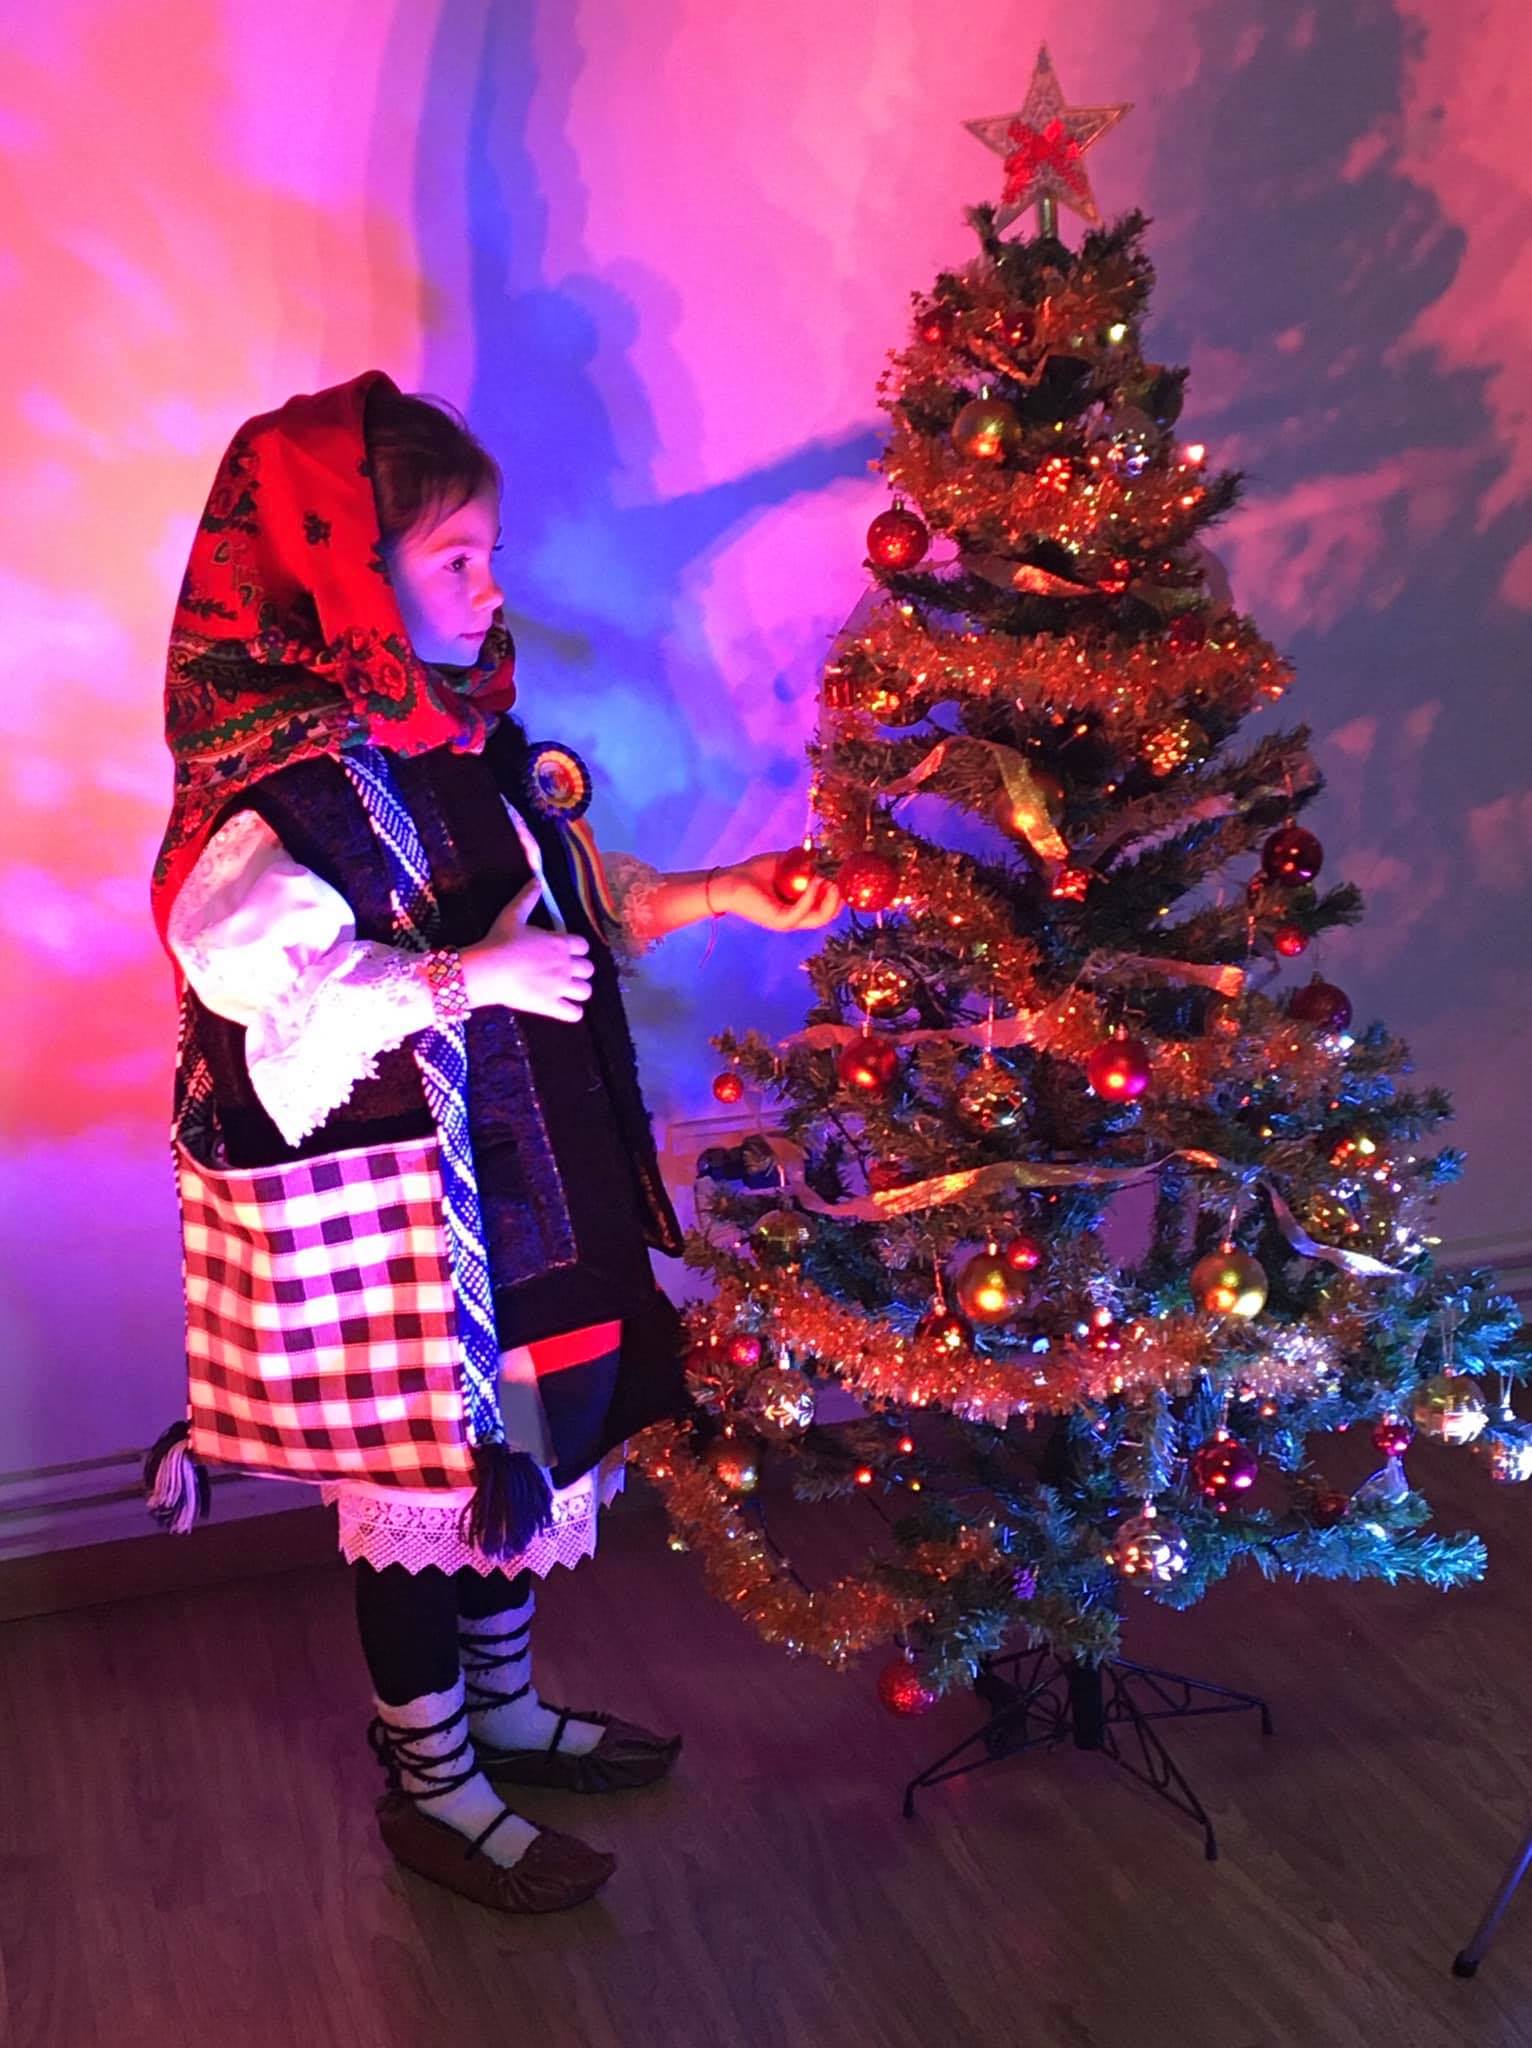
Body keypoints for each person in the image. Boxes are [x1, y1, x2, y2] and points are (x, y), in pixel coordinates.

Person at [145, 369, 841, 1914]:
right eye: (454, 556)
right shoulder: (278, 796)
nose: (490, 586)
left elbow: (566, 902)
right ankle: (432, 1773)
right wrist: (467, 982)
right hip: (406, 1230)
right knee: (422, 1499)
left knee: (529, 1457)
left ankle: (507, 1713)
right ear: (347, 576)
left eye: (489, 552)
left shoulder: (468, 743)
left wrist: (719, 893)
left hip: (536, 1199)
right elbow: (260, 990)